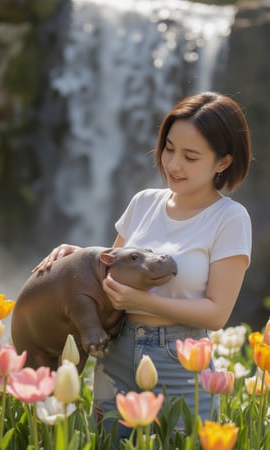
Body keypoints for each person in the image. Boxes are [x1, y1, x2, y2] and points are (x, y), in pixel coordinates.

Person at [34, 91, 252, 445]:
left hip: (181, 360)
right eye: (169, 148)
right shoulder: (144, 202)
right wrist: (81, 258)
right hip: (116, 351)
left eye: (190, 156)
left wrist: (146, 303)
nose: (173, 164)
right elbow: (110, 275)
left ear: (223, 162)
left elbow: (216, 314)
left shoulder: (229, 219)